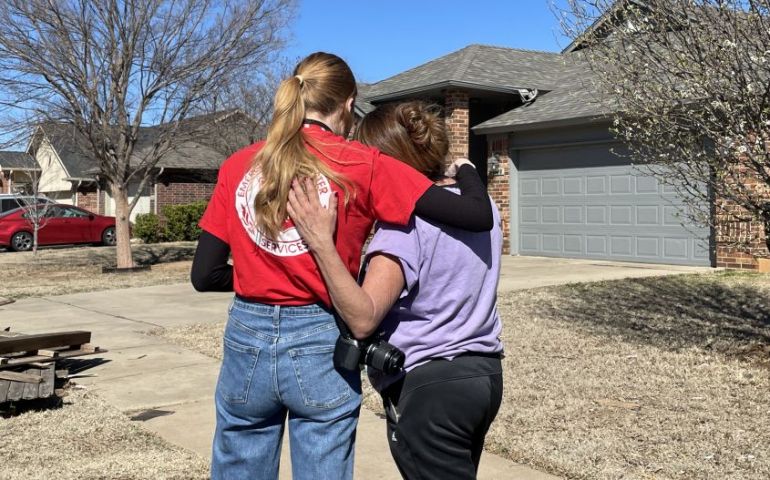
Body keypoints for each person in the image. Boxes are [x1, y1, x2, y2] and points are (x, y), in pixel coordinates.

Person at [191, 52, 493, 480]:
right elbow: (477, 216)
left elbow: (203, 275)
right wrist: (465, 170)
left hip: (246, 338)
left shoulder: (239, 165)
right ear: (348, 104)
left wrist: (266, 273)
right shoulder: (364, 164)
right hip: (319, 336)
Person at [287, 100, 504, 480]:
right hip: (484, 377)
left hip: (431, 390)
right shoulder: (483, 207)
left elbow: (363, 317)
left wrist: (321, 242)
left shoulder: (404, 226)